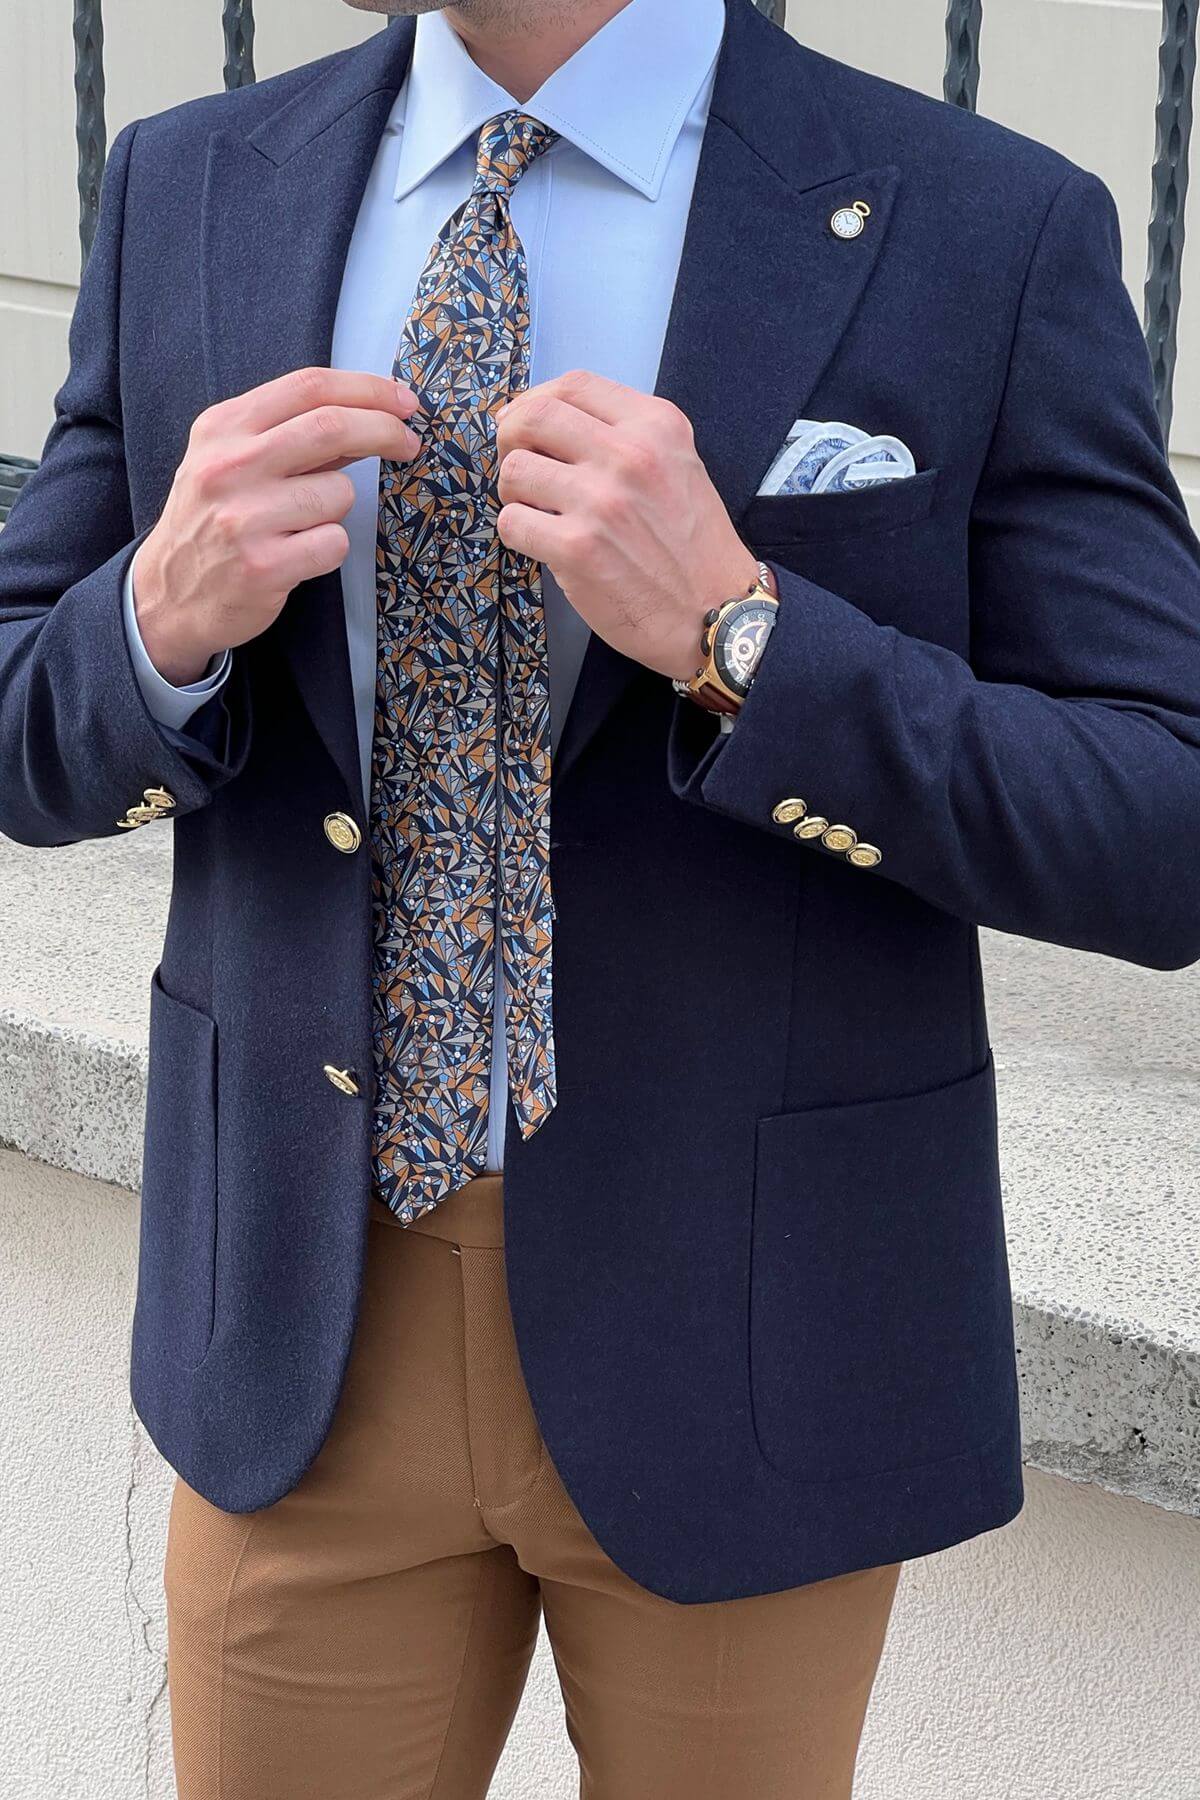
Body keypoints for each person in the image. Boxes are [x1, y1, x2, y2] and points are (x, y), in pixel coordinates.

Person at [3, 0, 1199, 1793]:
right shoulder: (189, 183)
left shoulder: (983, 220)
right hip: (302, 1330)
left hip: (743, 1334)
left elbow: (1161, 819)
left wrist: (745, 643)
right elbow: (23, 709)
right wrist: (150, 623)